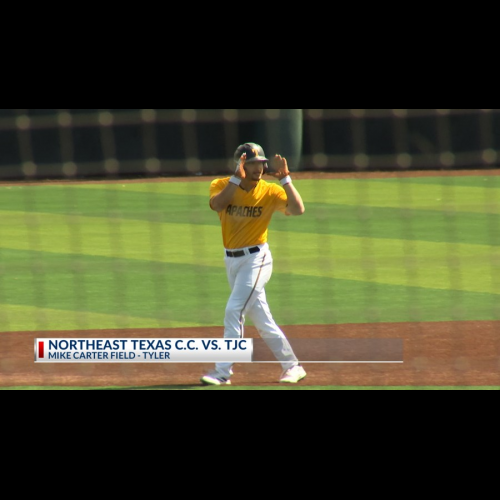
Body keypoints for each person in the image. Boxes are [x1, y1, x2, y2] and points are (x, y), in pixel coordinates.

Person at [201, 142, 307, 386]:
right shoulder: (221, 185)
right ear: (240, 165)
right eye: (252, 163)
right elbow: (217, 205)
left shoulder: (270, 191)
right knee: (262, 319)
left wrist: (286, 180)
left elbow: (298, 210)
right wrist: (235, 180)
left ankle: (222, 372)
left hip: (257, 259)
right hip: (231, 261)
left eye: (261, 163)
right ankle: (293, 366)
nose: (259, 168)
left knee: (234, 310)